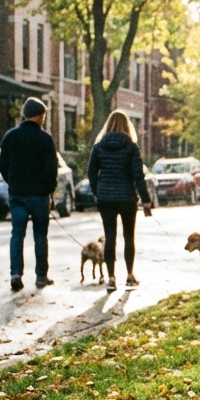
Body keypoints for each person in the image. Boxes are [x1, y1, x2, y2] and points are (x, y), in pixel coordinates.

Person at [86, 110, 154, 293]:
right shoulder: (131, 147)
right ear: (127, 126)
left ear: (108, 125)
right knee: (128, 237)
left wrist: (96, 191)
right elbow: (138, 176)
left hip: (105, 197)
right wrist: (146, 200)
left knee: (110, 237)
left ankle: (111, 279)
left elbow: (91, 172)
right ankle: (130, 276)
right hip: (126, 197)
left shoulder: (99, 147)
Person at [0, 97, 60, 292]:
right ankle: (41, 276)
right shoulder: (45, 139)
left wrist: (13, 182)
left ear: (25, 115)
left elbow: (2, 166)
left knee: (17, 234)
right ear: (40, 116)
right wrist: (49, 190)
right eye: (44, 116)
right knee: (40, 236)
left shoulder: (10, 136)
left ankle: (16, 274)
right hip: (39, 195)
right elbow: (52, 170)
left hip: (17, 194)